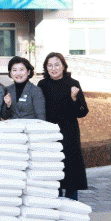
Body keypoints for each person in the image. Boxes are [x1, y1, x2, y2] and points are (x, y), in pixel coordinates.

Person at [38, 53, 89, 200]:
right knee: (53, 172)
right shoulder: (42, 85)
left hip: (69, 133)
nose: (53, 68)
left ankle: (72, 205)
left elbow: (83, 111)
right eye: (50, 65)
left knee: (70, 170)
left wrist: (74, 99)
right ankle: (55, 205)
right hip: (49, 135)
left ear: (64, 66)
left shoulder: (73, 84)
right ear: (46, 68)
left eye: (57, 65)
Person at [0, 56, 46, 120]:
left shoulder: (35, 90)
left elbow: (41, 117)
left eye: (21, 70)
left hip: (31, 126)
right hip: (13, 126)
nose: (18, 73)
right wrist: (8, 106)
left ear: (28, 72)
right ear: (10, 73)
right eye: (14, 70)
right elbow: (4, 117)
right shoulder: (7, 90)